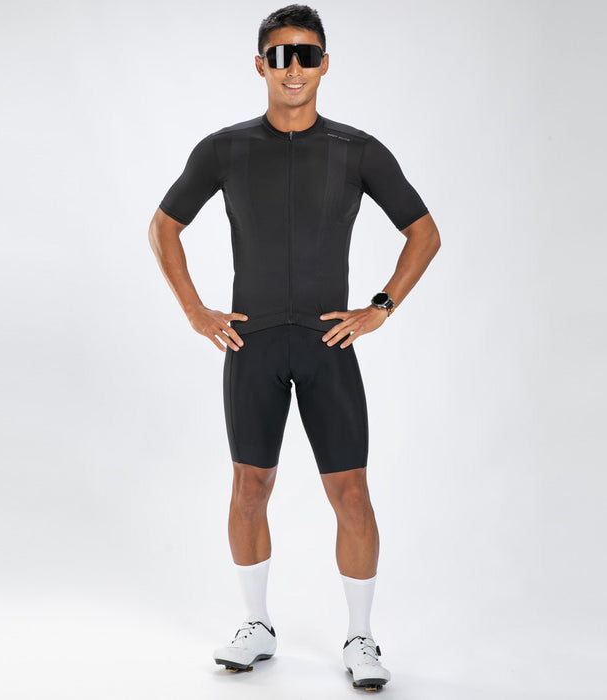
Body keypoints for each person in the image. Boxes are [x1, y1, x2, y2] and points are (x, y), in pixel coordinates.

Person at [148, 3, 440, 690]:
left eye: (307, 55)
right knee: (249, 488)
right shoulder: (225, 149)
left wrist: (380, 308)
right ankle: (256, 625)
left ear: (325, 64)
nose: (294, 68)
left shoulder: (355, 150)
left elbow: (423, 232)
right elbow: (164, 226)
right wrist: (194, 309)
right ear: (261, 65)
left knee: (351, 494)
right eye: (281, 56)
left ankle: (361, 636)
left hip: (325, 344)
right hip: (250, 344)